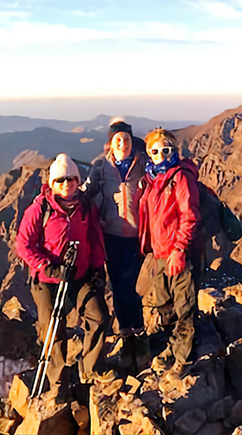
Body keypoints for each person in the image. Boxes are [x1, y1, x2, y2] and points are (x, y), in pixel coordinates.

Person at [16, 153, 109, 400]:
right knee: (53, 329)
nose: (66, 184)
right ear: (52, 183)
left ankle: (90, 370)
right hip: (47, 279)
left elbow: (95, 239)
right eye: (60, 180)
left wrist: (98, 269)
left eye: (71, 179)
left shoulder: (86, 208)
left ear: (78, 181)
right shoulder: (40, 208)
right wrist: (48, 267)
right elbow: (23, 245)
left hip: (80, 276)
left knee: (98, 317)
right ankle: (57, 380)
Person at [81, 119, 149, 370]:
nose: (123, 143)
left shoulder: (143, 165)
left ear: (133, 143)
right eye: (118, 139)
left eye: (127, 139)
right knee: (119, 288)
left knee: (135, 287)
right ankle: (127, 337)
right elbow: (87, 192)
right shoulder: (101, 167)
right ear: (111, 143)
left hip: (137, 237)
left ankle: (139, 335)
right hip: (110, 236)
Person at [138, 128, 202, 379]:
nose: (161, 155)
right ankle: (173, 348)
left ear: (175, 151)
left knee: (183, 305)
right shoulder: (151, 181)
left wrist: (179, 250)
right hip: (158, 254)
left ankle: (184, 359)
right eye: (155, 151)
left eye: (166, 150)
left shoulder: (181, 177)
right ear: (149, 154)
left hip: (178, 253)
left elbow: (190, 216)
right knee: (165, 307)